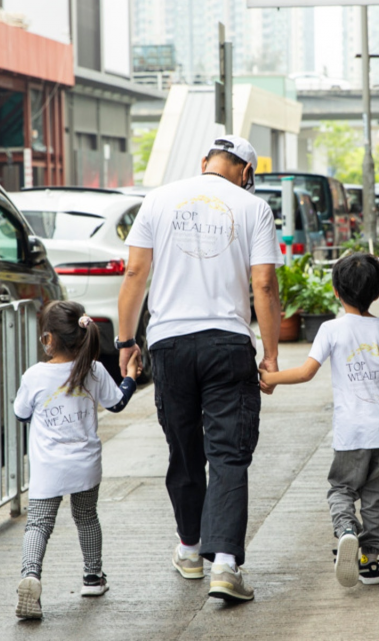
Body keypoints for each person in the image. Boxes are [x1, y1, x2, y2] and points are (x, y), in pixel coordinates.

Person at [116, 135, 282, 603]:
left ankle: (190, 550)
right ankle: (225, 566)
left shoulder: (159, 199)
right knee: (229, 453)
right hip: (227, 343)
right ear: (246, 172)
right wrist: (269, 354)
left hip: (169, 343)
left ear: (205, 162)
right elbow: (264, 284)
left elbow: (134, 274)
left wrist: (127, 342)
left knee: (185, 449)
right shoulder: (253, 208)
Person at [260, 253, 379, 587]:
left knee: (341, 488)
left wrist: (272, 378)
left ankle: (345, 531)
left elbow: (306, 372)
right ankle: (369, 561)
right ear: (377, 292)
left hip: (352, 431)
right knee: (375, 497)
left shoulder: (331, 329)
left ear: (336, 292)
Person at [13, 300, 142, 620]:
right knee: (86, 517)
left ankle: (30, 575)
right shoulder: (94, 370)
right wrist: (130, 376)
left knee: (39, 524)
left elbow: (20, 413)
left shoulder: (34, 375)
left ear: (48, 339)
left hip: (48, 469)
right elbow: (118, 403)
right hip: (85, 465)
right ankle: (92, 577)